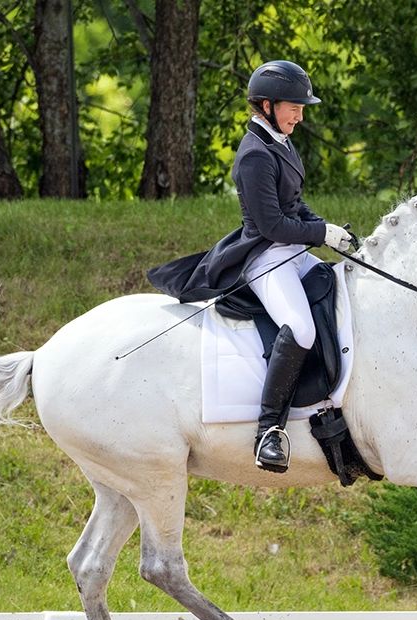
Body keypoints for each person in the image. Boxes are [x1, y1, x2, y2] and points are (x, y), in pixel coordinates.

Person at [147, 60, 353, 473]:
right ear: (266, 104)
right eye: (293, 106)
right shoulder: (255, 154)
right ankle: (269, 431)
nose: (300, 114)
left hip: (290, 250)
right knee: (300, 327)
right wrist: (318, 234)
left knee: (343, 290)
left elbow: (294, 204)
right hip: (265, 256)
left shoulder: (281, 140)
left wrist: (327, 230)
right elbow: (272, 224)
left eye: (302, 106)